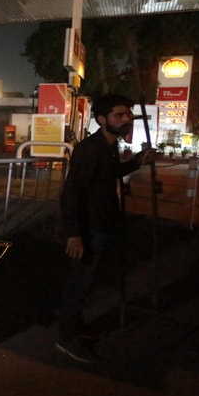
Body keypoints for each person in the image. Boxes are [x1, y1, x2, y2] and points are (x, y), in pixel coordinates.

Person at [58, 94, 155, 363]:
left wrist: (137, 162)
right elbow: (72, 193)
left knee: (86, 282)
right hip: (88, 229)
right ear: (102, 120)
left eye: (128, 115)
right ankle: (66, 338)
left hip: (100, 226)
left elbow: (109, 173)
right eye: (119, 116)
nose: (126, 120)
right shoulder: (91, 149)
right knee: (78, 284)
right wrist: (74, 234)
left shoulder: (108, 145)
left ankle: (76, 328)